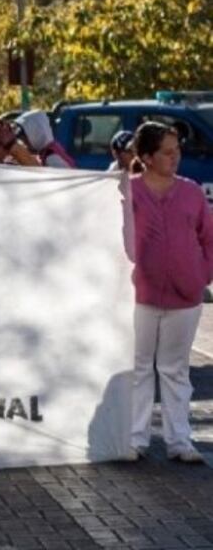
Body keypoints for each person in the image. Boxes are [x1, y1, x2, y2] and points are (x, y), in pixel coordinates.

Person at [128, 122, 213, 463]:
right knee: (138, 367)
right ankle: (136, 439)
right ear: (146, 157)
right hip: (138, 295)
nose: (175, 157)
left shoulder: (192, 192)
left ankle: (180, 440)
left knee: (175, 369)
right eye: (166, 152)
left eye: (177, 150)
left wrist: (199, 277)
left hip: (185, 297)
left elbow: (209, 238)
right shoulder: (127, 192)